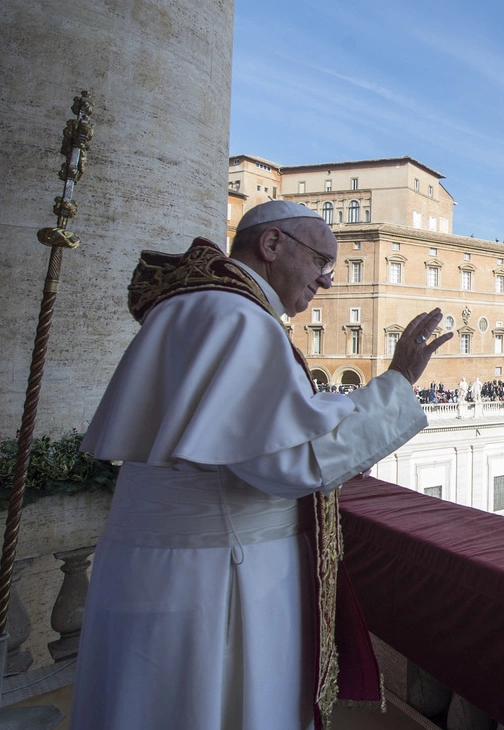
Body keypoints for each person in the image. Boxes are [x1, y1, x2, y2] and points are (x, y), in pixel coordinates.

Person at [72, 201, 453, 730]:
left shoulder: (199, 309)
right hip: (214, 581)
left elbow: (265, 427)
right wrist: (397, 384)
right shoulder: (237, 318)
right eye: (321, 260)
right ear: (272, 246)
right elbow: (291, 461)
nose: (325, 280)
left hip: (168, 569)